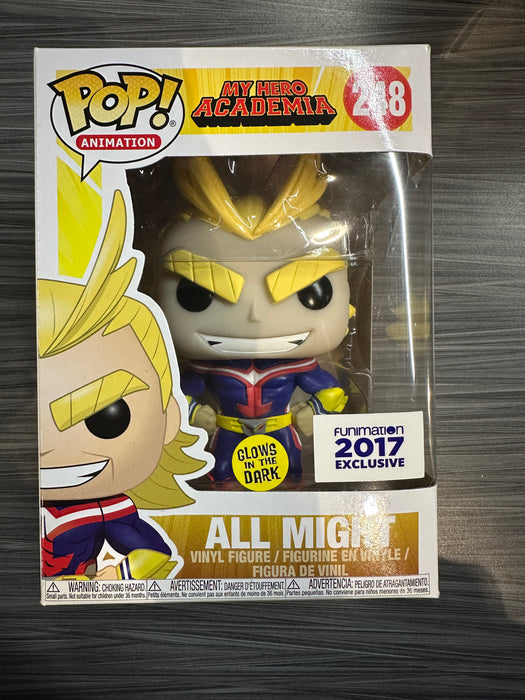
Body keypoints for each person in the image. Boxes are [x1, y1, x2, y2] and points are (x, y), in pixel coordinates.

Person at [39, 191, 205, 580]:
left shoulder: (105, 508)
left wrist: (120, 575)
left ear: (169, 418)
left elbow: (154, 552)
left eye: (107, 418)